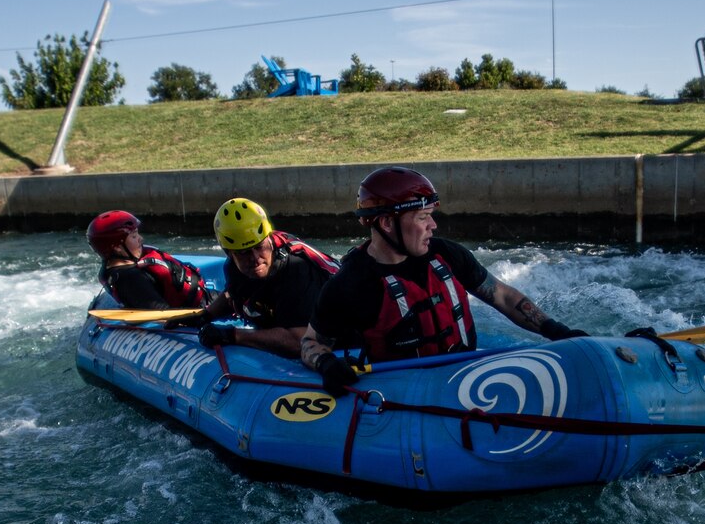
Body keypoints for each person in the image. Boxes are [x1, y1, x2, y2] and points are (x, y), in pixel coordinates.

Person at [301, 166, 586, 392]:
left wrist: (556, 331)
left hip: (463, 376)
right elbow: (311, 342)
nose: (433, 225)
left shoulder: (446, 254)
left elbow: (502, 296)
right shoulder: (351, 284)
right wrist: (326, 363)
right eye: (423, 217)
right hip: (403, 393)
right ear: (387, 223)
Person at [196, 197, 339, 358]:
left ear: (269, 239)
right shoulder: (233, 267)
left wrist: (233, 335)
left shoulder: (296, 270)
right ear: (229, 253)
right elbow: (233, 293)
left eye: (260, 247)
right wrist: (204, 316)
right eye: (244, 253)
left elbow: (301, 341)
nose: (255, 258)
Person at [87, 210, 211, 310]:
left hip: (202, 297)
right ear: (117, 247)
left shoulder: (113, 268)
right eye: (134, 236)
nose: (141, 239)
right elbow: (162, 313)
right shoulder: (130, 278)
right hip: (201, 304)